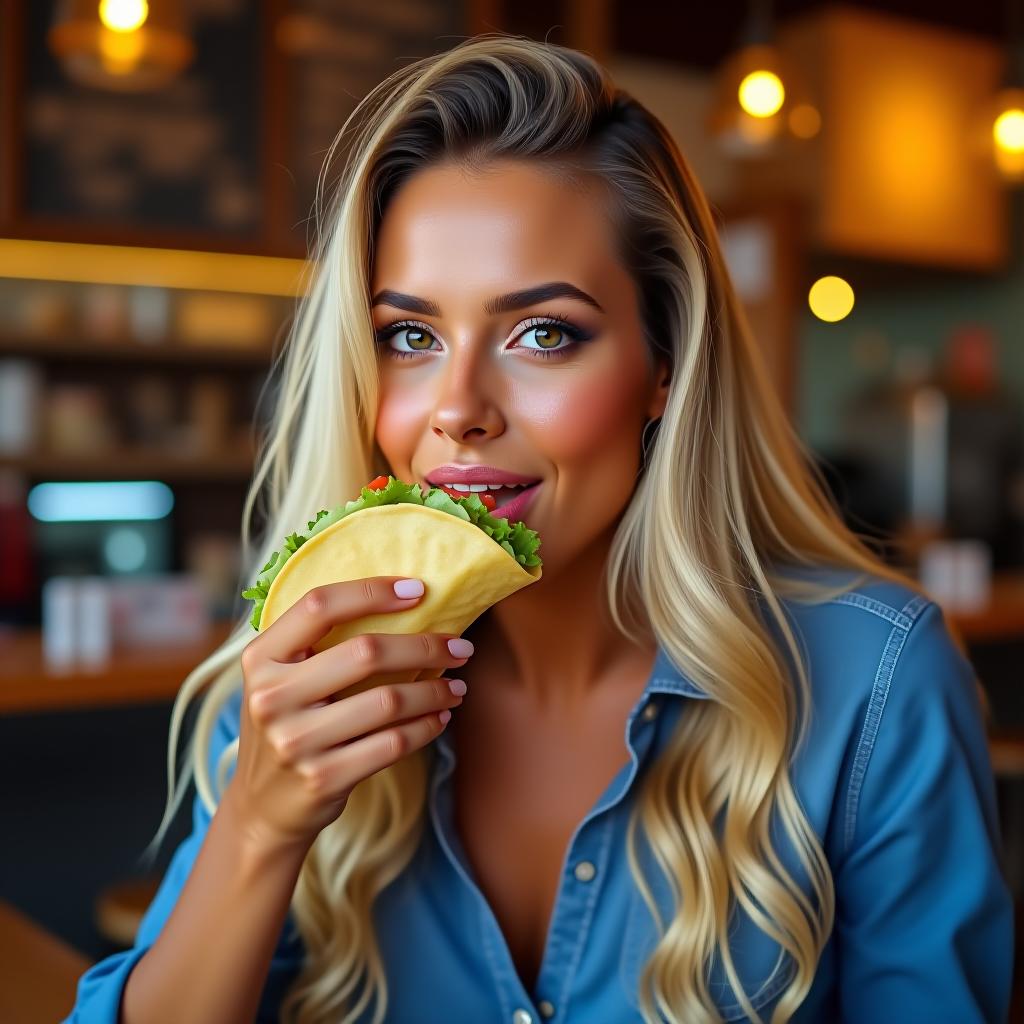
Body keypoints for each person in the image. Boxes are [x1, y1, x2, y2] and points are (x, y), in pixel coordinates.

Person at [65, 33, 1013, 1024]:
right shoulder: (306, 674)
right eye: (410, 337)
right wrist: (260, 822)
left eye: (543, 333)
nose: (458, 407)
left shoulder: (876, 685)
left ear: (664, 365)